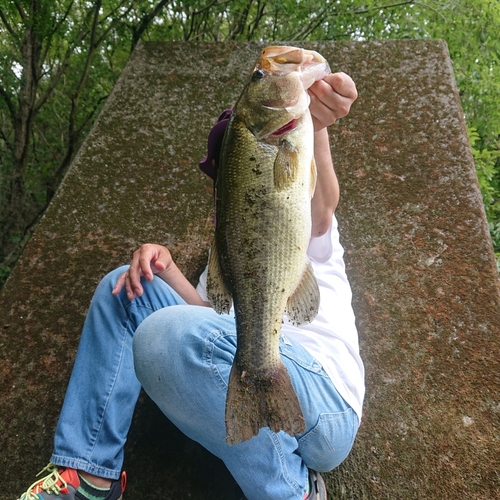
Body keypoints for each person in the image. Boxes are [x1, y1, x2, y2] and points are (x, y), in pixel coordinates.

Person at [17, 72, 364, 500]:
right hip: (246, 361)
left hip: (323, 401)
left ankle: (294, 491)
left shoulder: (303, 216)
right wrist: (166, 270)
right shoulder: (228, 250)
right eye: (226, 164)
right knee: (127, 290)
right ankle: (89, 479)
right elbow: (205, 327)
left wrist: (318, 122)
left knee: (168, 335)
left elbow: (324, 202)